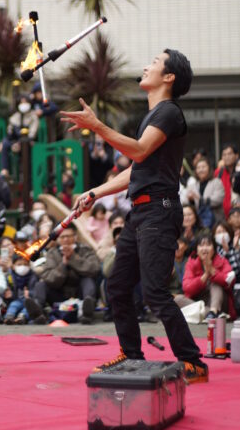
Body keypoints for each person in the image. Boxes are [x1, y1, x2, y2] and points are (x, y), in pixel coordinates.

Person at [61, 49, 207, 383]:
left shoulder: (168, 112)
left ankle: (193, 361)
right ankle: (131, 355)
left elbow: (138, 151)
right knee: (117, 285)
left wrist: (97, 125)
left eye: (155, 63)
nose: (146, 65)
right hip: (141, 212)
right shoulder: (154, 115)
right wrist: (95, 192)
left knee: (155, 292)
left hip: (159, 210)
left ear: (169, 77)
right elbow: (137, 168)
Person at [25, 225, 100, 325]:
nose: (65, 239)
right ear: (58, 239)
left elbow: (94, 269)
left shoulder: (85, 250)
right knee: (41, 285)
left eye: (68, 236)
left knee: (88, 280)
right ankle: (38, 312)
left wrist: (73, 258)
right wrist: (63, 265)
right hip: (59, 293)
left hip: (79, 293)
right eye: (62, 237)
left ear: (75, 237)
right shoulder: (52, 253)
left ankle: (87, 312)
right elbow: (48, 277)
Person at [178, 232, 236, 320]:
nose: (204, 249)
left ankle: (212, 311)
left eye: (208, 245)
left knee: (215, 283)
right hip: (198, 302)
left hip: (220, 303)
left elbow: (230, 282)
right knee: (177, 299)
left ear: (214, 248)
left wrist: (212, 270)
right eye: (201, 245)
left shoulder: (222, 261)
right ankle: (211, 313)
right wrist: (205, 275)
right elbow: (187, 288)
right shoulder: (191, 262)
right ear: (196, 250)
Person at [0, 95, 39, 175]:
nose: (23, 104)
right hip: (15, 141)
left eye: (25, 102)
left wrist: (19, 143)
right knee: (5, 143)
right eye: (21, 102)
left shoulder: (33, 117)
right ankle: (5, 170)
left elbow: (32, 134)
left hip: (27, 142)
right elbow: (10, 132)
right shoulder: (14, 117)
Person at [186, 158, 225, 228]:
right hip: (198, 223)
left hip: (215, 222)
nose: (201, 170)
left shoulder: (217, 182)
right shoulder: (193, 185)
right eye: (198, 168)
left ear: (209, 168)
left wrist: (199, 198)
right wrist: (190, 200)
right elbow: (190, 205)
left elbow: (217, 200)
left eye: (203, 167)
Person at [4, 255, 37, 324]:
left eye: (25, 264)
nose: (23, 267)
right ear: (13, 266)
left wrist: (29, 294)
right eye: (19, 264)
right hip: (17, 299)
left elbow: (36, 292)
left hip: (29, 301)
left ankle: (22, 317)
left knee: (28, 309)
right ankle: (9, 317)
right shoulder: (10, 276)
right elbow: (10, 291)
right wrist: (9, 294)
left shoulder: (33, 277)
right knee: (13, 305)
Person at [215, 144, 239, 219]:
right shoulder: (218, 172)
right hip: (223, 216)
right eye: (224, 155)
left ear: (236, 155)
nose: (227, 157)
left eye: (229, 154)